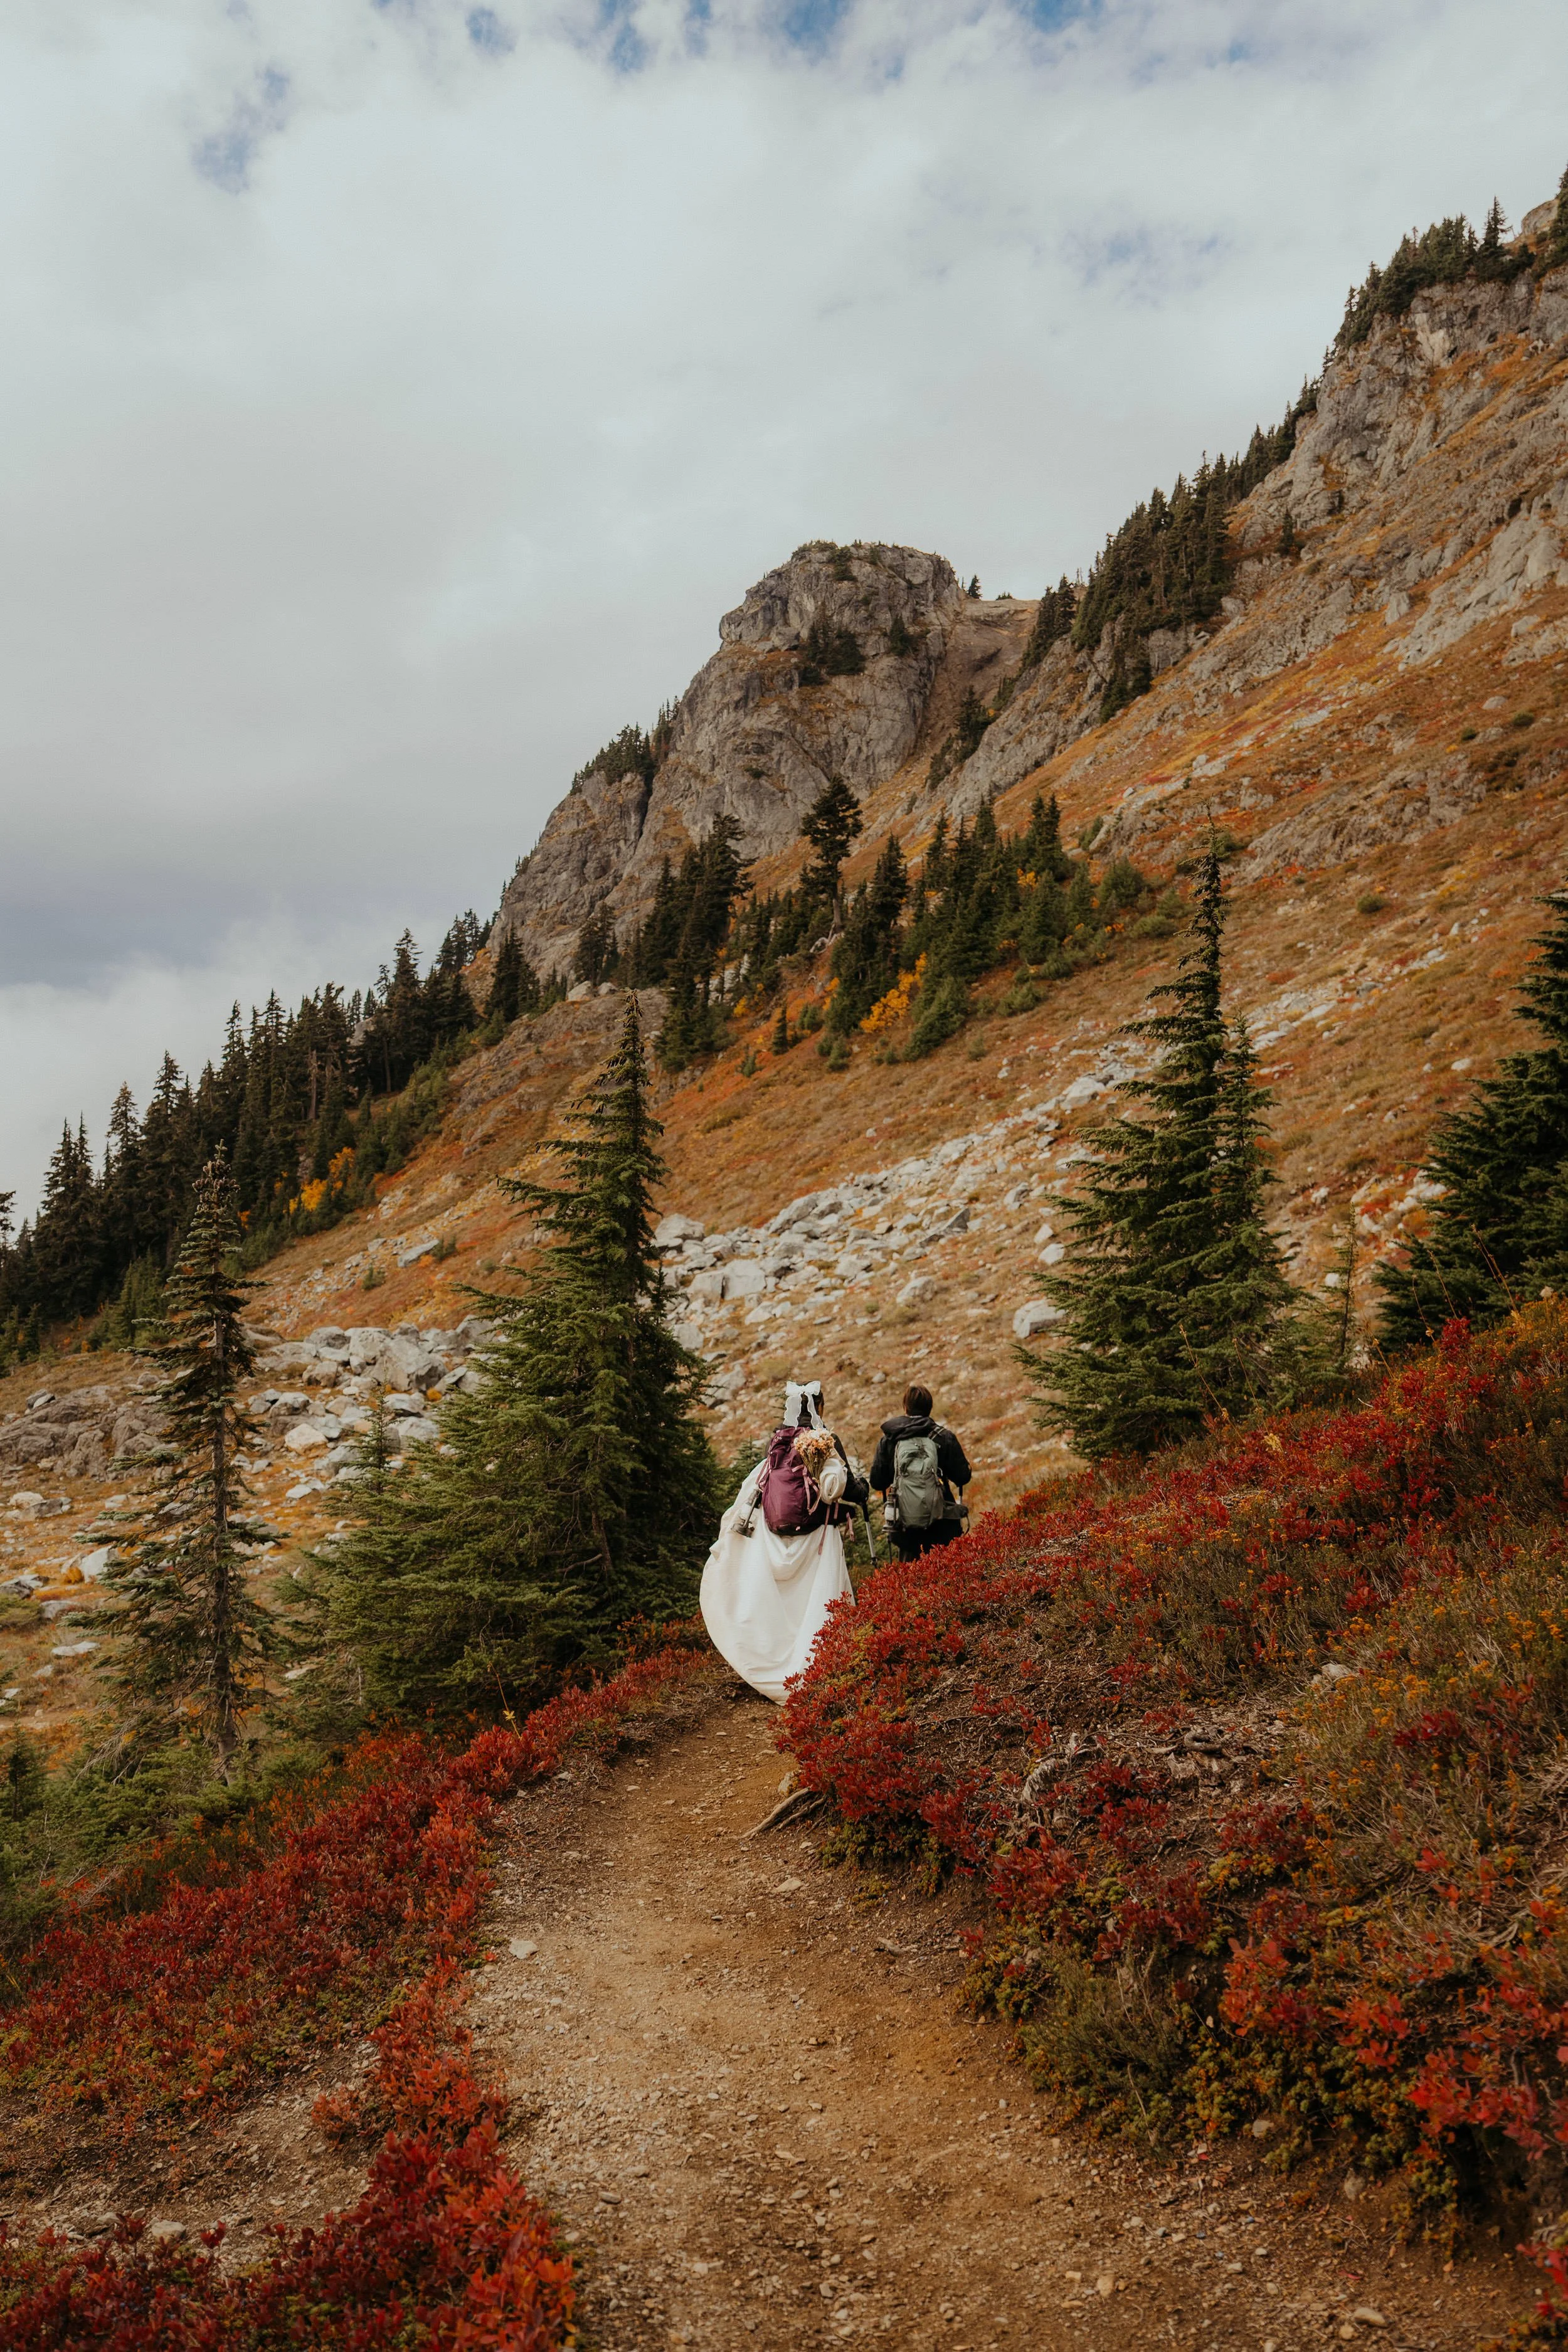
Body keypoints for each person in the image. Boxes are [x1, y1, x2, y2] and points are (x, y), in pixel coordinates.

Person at [701, 1379, 867, 1703]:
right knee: (817, 1600)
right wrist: (859, 1490)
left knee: (788, 1603)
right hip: (817, 1537)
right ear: (819, 1407)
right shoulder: (824, 1441)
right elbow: (840, 1485)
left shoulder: (778, 1442)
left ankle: (777, 1662)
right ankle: (821, 1667)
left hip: (777, 1535)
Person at [869, 1383, 972, 1562]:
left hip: (905, 1528)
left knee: (911, 1584)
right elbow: (963, 1477)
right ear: (930, 1408)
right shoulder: (944, 1437)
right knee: (948, 1582)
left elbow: (877, 1482)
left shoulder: (889, 1441)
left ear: (905, 1408)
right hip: (942, 1524)